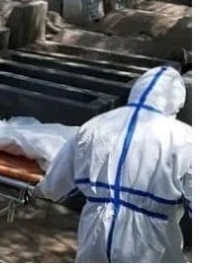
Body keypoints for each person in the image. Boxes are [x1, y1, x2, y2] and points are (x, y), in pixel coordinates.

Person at [34, 66, 192, 263]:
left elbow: (57, 184)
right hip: (151, 244)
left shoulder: (95, 125)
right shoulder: (186, 140)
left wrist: (37, 190)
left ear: (137, 89)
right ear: (176, 103)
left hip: (96, 234)